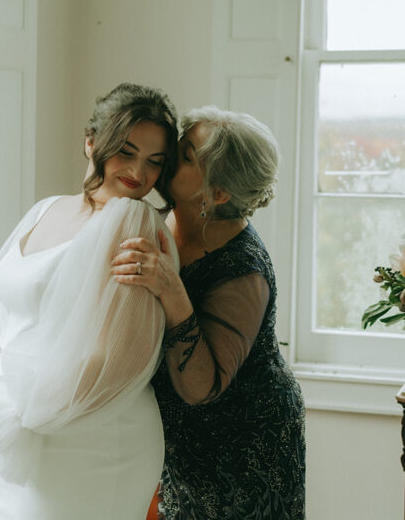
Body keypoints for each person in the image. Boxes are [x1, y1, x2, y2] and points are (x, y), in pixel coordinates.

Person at [0, 83, 180, 519]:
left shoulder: (132, 223)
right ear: (91, 142)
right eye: (126, 151)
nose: (139, 173)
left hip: (92, 437)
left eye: (154, 162)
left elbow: (116, 357)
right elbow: (4, 318)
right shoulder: (47, 209)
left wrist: (24, 412)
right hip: (21, 431)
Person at [111, 106, 306, 519]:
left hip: (244, 444)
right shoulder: (161, 220)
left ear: (217, 194)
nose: (167, 157)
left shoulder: (243, 272)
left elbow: (202, 387)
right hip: (178, 436)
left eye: (184, 156)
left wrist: (173, 292)